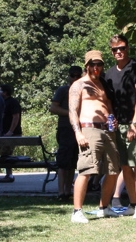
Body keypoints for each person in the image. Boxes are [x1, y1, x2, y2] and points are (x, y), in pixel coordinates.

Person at [69, 50, 121, 223]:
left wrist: (113, 120)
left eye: (99, 64)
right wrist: (78, 132)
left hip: (107, 131)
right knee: (86, 170)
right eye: (93, 64)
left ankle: (104, 207)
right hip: (88, 130)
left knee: (113, 170)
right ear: (87, 66)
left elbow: (108, 107)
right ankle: (77, 211)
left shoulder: (103, 84)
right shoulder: (79, 85)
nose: (96, 67)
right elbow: (72, 111)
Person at [105, 35, 136, 219]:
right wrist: (111, 120)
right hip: (118, 125)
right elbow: (108, 101)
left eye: (122, 48)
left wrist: (134, 124)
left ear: (127, 48)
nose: (119, 52)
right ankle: (132, 203)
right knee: (124, 166)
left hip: (135, 124)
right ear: (111, 51)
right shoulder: (108, 73)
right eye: (115, 49)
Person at [49, 66, 82, 200]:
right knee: (63, 162)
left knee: (73, 163)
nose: (74, 78)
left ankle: (68, 191)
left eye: (77, 76)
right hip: (65, 129)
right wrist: (71, 114)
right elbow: (53, 108)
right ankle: (60, 192)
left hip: (79, 130)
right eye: (72, 75)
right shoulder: (63, 90)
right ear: (68, 76)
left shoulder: (83, 90)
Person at [0, 84, 22, 183]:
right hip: (4, 133)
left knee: (6, 154)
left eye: (0, 90)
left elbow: (16, 117)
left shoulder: (12, 102)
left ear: (5, 92)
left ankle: (9, 175)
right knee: (4, 154)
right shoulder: (3, 102)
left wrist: (10, 131)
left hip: (12, 133)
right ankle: (8, 174)